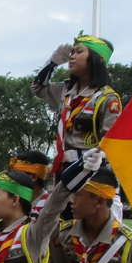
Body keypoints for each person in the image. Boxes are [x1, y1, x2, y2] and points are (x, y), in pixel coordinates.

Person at [32, 33, 121, 179]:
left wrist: (101, 159)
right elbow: (38, 88)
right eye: (72, 52)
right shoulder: (66, 90)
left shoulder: (107, 98)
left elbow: (111, 141)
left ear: (96, 59)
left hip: (88, 171)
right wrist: (52, 63)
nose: (72, 57)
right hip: (62, 167)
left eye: (79, 52)